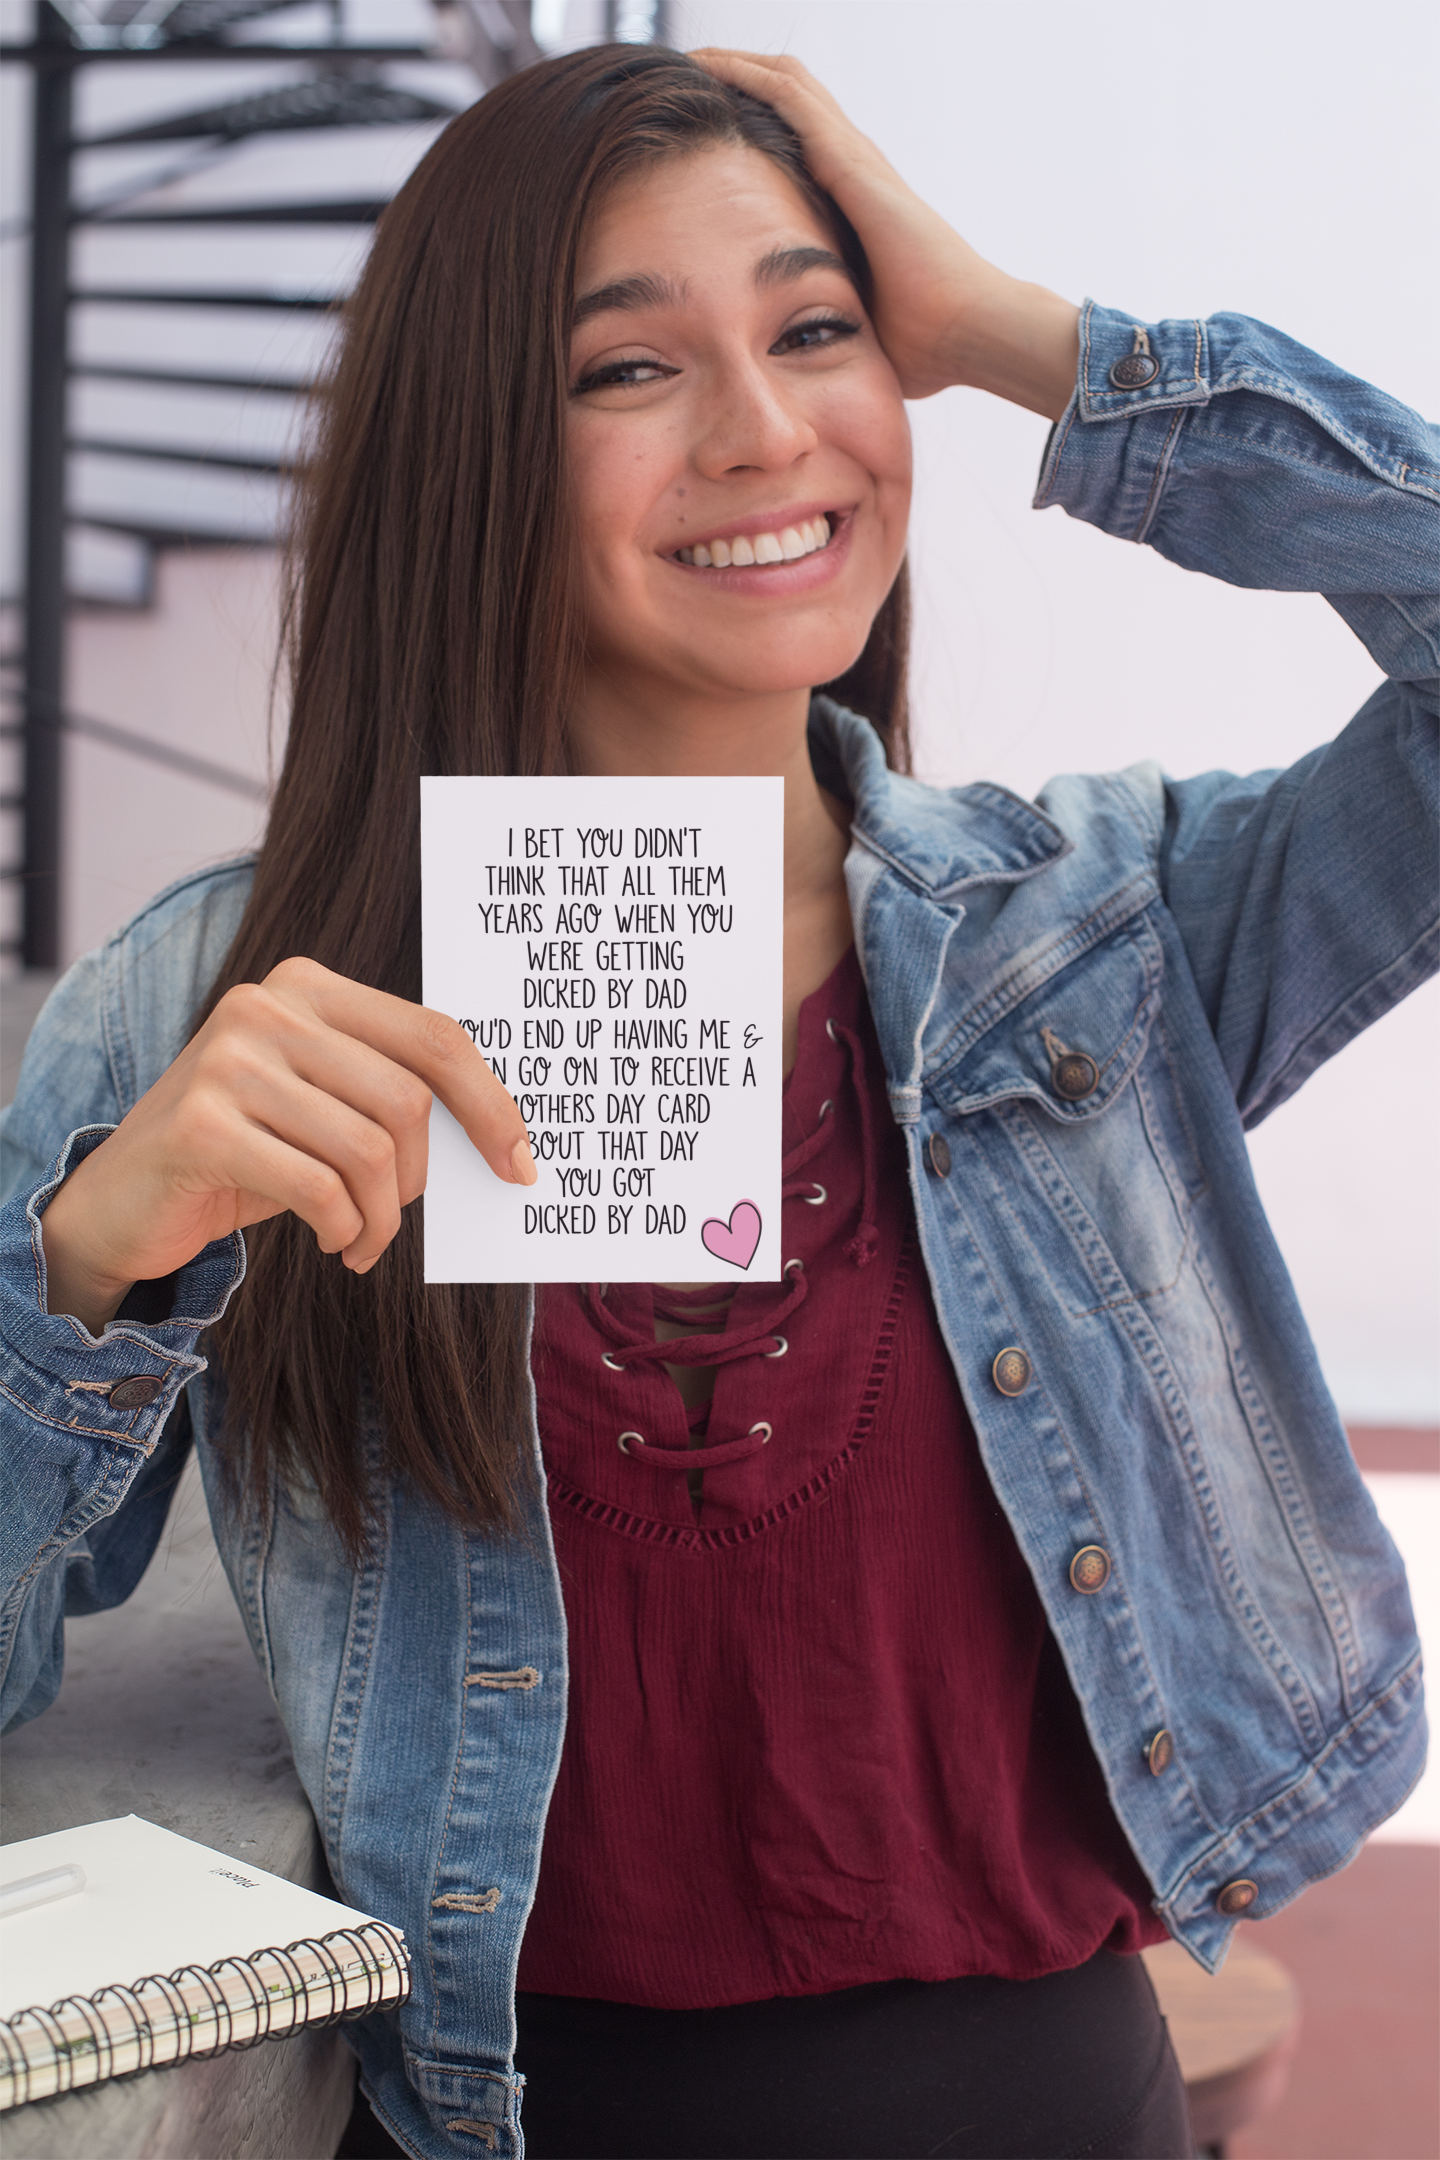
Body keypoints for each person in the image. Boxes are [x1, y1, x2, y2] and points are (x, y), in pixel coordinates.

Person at [0, 40, 1432, 2160]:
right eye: (626, 370)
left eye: (818, 329)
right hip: (485, 2117)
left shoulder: (1104, 938)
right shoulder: (208, 1010)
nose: (768, 432)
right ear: (474, 449)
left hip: (1046, 2101)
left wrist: (1026, 341)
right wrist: (86, 1276)